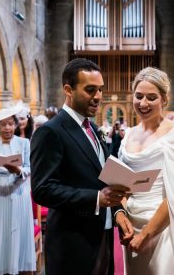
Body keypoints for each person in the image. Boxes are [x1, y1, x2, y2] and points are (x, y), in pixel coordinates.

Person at [31, 58, 129, 275]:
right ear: (68, 89)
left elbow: (102, 176)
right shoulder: (51, 132)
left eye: (101, 90)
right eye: (90, 90)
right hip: (72, 241)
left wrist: (118, 211)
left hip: (102, 234)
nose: (98, 97)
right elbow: (42, 189)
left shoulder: (92, 127)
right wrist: (96, 198)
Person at [115, 67, 174, 275]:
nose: (143, 103)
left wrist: (146, 234)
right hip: (131, 224)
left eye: (151, 97)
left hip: (163, 226)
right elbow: (120, 184)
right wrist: (122, 215)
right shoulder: (128, 135)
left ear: (164, 99)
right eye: (139, 96)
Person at [0, 105, 36, 274]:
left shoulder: (24, 143)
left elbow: (29, 168)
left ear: (16, 125)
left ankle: (15, 267)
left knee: (15, 230)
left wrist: (17, 170)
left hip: (18, 191)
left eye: (10, 124)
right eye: (3, 124)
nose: (7, 128)